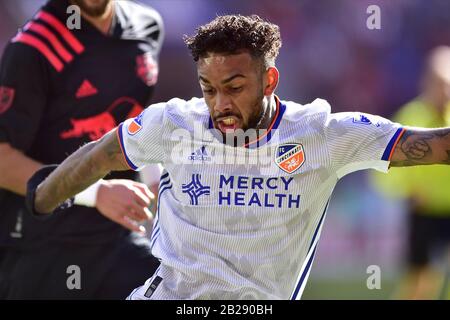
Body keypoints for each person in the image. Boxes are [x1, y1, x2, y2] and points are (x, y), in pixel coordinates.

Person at [28, 15, 450, 300]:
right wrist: (39, 198)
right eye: (208, 89)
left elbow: (436, 144)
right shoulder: (173, 124)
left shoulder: (323, 134)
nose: (220, 104)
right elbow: (98, 156)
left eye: (234, 87)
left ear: (269, 79)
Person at [0, 0, 164, 299]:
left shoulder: (147, 25)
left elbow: (134, 121)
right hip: (42, 247)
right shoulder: (32, 49)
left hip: (120, 238)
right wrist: (95, 193)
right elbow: (2, 159)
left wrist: (159, 184)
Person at [371, 46, 450, 299]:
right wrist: (408, 191)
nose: (445, 90)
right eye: (440, 83)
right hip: (423, 212)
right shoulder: (410, 116)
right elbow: (384, 168)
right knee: (419, 279)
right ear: (427, 82)